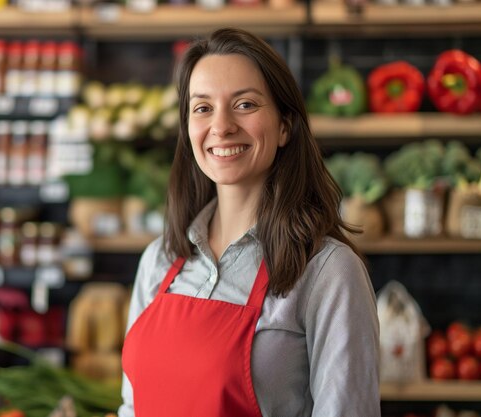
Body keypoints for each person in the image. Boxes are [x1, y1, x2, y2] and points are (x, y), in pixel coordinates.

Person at [118, 27, 380, 417]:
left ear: (285, 126)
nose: (221, 126)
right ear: (188, 129)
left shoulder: (328, 272)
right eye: (203, 108)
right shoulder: (160, 259)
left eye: (245, 105)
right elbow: (131, 406)